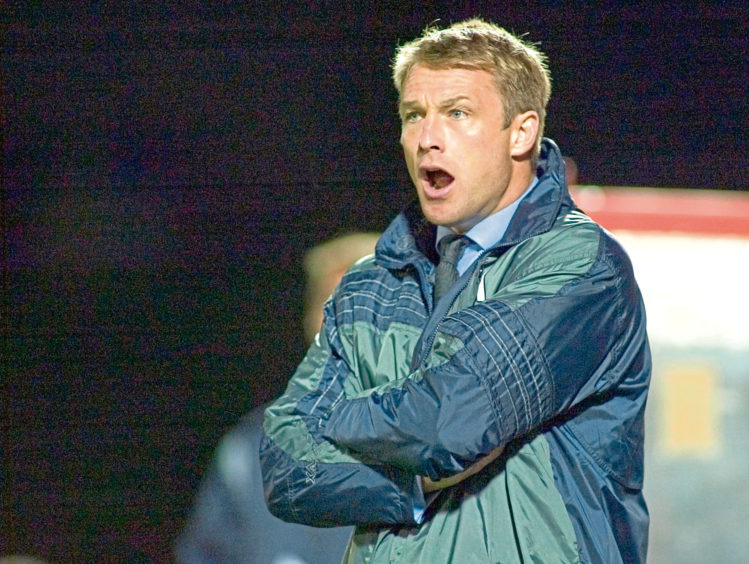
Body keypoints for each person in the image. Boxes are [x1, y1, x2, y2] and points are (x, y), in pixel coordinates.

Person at [260, 18, 650, 563]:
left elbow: (449, 419)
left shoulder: (582, 266)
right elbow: (284, 466)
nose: (427, 138)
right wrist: (409, 486)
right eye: (413, 115)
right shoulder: (370, 283)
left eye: (458, 113)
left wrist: (334, 422)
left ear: (522, 132)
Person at [176, 234, 379, 564]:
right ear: (311, 322)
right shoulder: (250, 451)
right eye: (331, 310)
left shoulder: (449, 449)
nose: (346, 329)